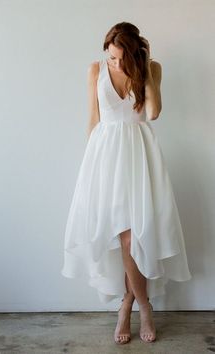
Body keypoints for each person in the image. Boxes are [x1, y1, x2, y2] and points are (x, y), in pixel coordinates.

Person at [61, 21, 192, 345]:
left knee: (136, 237)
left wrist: (145, 70)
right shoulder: (95, 70)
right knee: (124, 238)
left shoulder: (150, 68)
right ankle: (138, 305)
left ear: (134, 53)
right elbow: (93, 119)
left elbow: (154, 112)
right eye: (111, 58)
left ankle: (132, 303)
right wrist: (89, 169)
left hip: (139, 157)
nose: (115, 64)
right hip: (105, 159)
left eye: (121, 58)